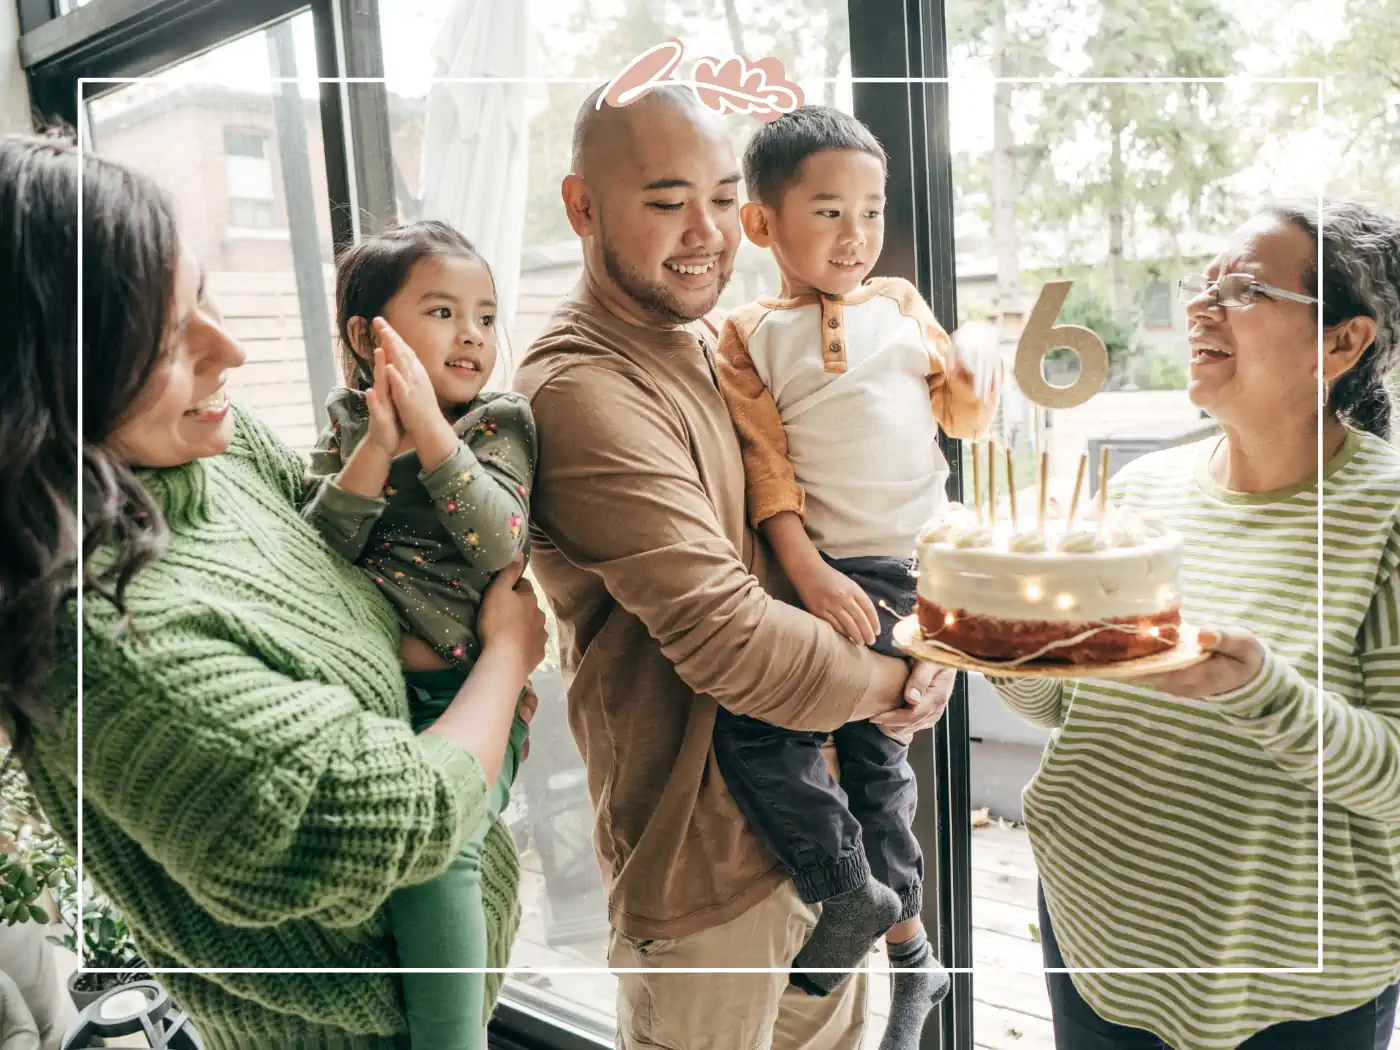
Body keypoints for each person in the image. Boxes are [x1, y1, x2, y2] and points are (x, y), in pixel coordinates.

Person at [0, 132, 547, 1049]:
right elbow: (407, 816)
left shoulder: (208, 446)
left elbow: (328, 543)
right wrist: (506, 652)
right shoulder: (107, 646)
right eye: (165, 336)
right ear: (38, 379)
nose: (232, 352)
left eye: (203, 295)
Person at [513, 85, 955, 1050]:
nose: (706, 231)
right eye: (668, 202)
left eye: (720, 198)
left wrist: (934, 644)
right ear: (582, 206)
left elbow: (862, 491)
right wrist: (900, 675)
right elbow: (729, 637)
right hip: (704, 881)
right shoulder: (583, 385)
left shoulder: (723, 345)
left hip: (825, 850)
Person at [991, 200, 1400, 1050]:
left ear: (1342, 342)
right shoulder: (1146, 491)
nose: (1199, 308)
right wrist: (1004, 645)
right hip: (1094, 940)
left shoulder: (1387, 515)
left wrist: (1262, 692)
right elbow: (1070, 707)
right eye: (1201, 285)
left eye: (1244, 289)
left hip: (1285, 989)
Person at [712, 105, 1000, 1050]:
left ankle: (854, 897)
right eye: (829, 212)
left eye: (870, 212)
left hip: (917, 567)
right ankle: (912, 952)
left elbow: (960, 420)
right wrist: (804, 569)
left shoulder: (902, 306)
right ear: (762, 225)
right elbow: (766, 470)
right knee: (859, 757)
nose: (856, 236)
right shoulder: (748, 333)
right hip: (831, 571)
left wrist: (977, 364)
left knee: (789, 738)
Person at [303, 220, 535, 1050]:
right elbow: (319, 549)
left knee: (443, 844)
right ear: (370, 337)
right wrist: (376, 446)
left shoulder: (498, 422)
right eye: (442, 313)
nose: (472, 334)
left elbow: (501, 538)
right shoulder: (343, 421)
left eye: (485, 314)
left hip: (466, 697)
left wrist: (431, 434)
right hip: (368, 699)